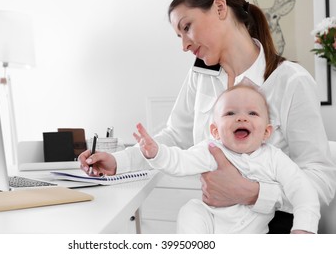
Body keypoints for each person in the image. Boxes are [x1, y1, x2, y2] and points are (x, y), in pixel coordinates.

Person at [79, 0, 336, 233]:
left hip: (274, 224)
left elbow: (322, 180)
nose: (184, 45)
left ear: (220, 8)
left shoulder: (291, 80)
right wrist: (118, 161)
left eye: (187, 27)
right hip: (216, 222)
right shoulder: (201, 75)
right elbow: (174, 136)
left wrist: (253, 193)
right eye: (179, 36)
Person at [133, 83, 320, 234]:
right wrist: (156, 152)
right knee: (191, 210)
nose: (241, 118)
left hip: (251, 235)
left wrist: (304, 228)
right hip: (211, 226)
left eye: (252, 113)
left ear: (266, 132)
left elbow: (304, 191)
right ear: (215, 131)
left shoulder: (274, 159)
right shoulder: (211, 149)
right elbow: (179, 161)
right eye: (230, 113)